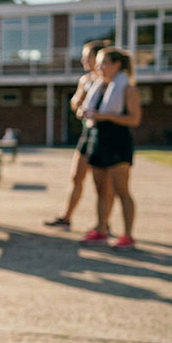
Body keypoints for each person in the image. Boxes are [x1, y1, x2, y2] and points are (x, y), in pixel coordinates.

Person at [45, 39, 111, 230]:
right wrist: (80, 105)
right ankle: (66, 218)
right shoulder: (85, 80)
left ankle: (105, 223)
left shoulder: (107, 81)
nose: (83, 61)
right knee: (76, 176)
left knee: (103, 184)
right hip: (87, 132)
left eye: (86, 57)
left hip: (104, 135)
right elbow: (75, 103)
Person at [79, 47, 141, 250]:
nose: (99, 67)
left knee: (121, 190)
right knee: (100, 190)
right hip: (97, 138)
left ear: (117, 65)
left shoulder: (127, 88)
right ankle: (101, 229)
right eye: (98, 63)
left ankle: (128, 235)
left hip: (117, 140)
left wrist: (104, 116)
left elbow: (134, 119)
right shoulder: (96, 86)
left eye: (103, 63)